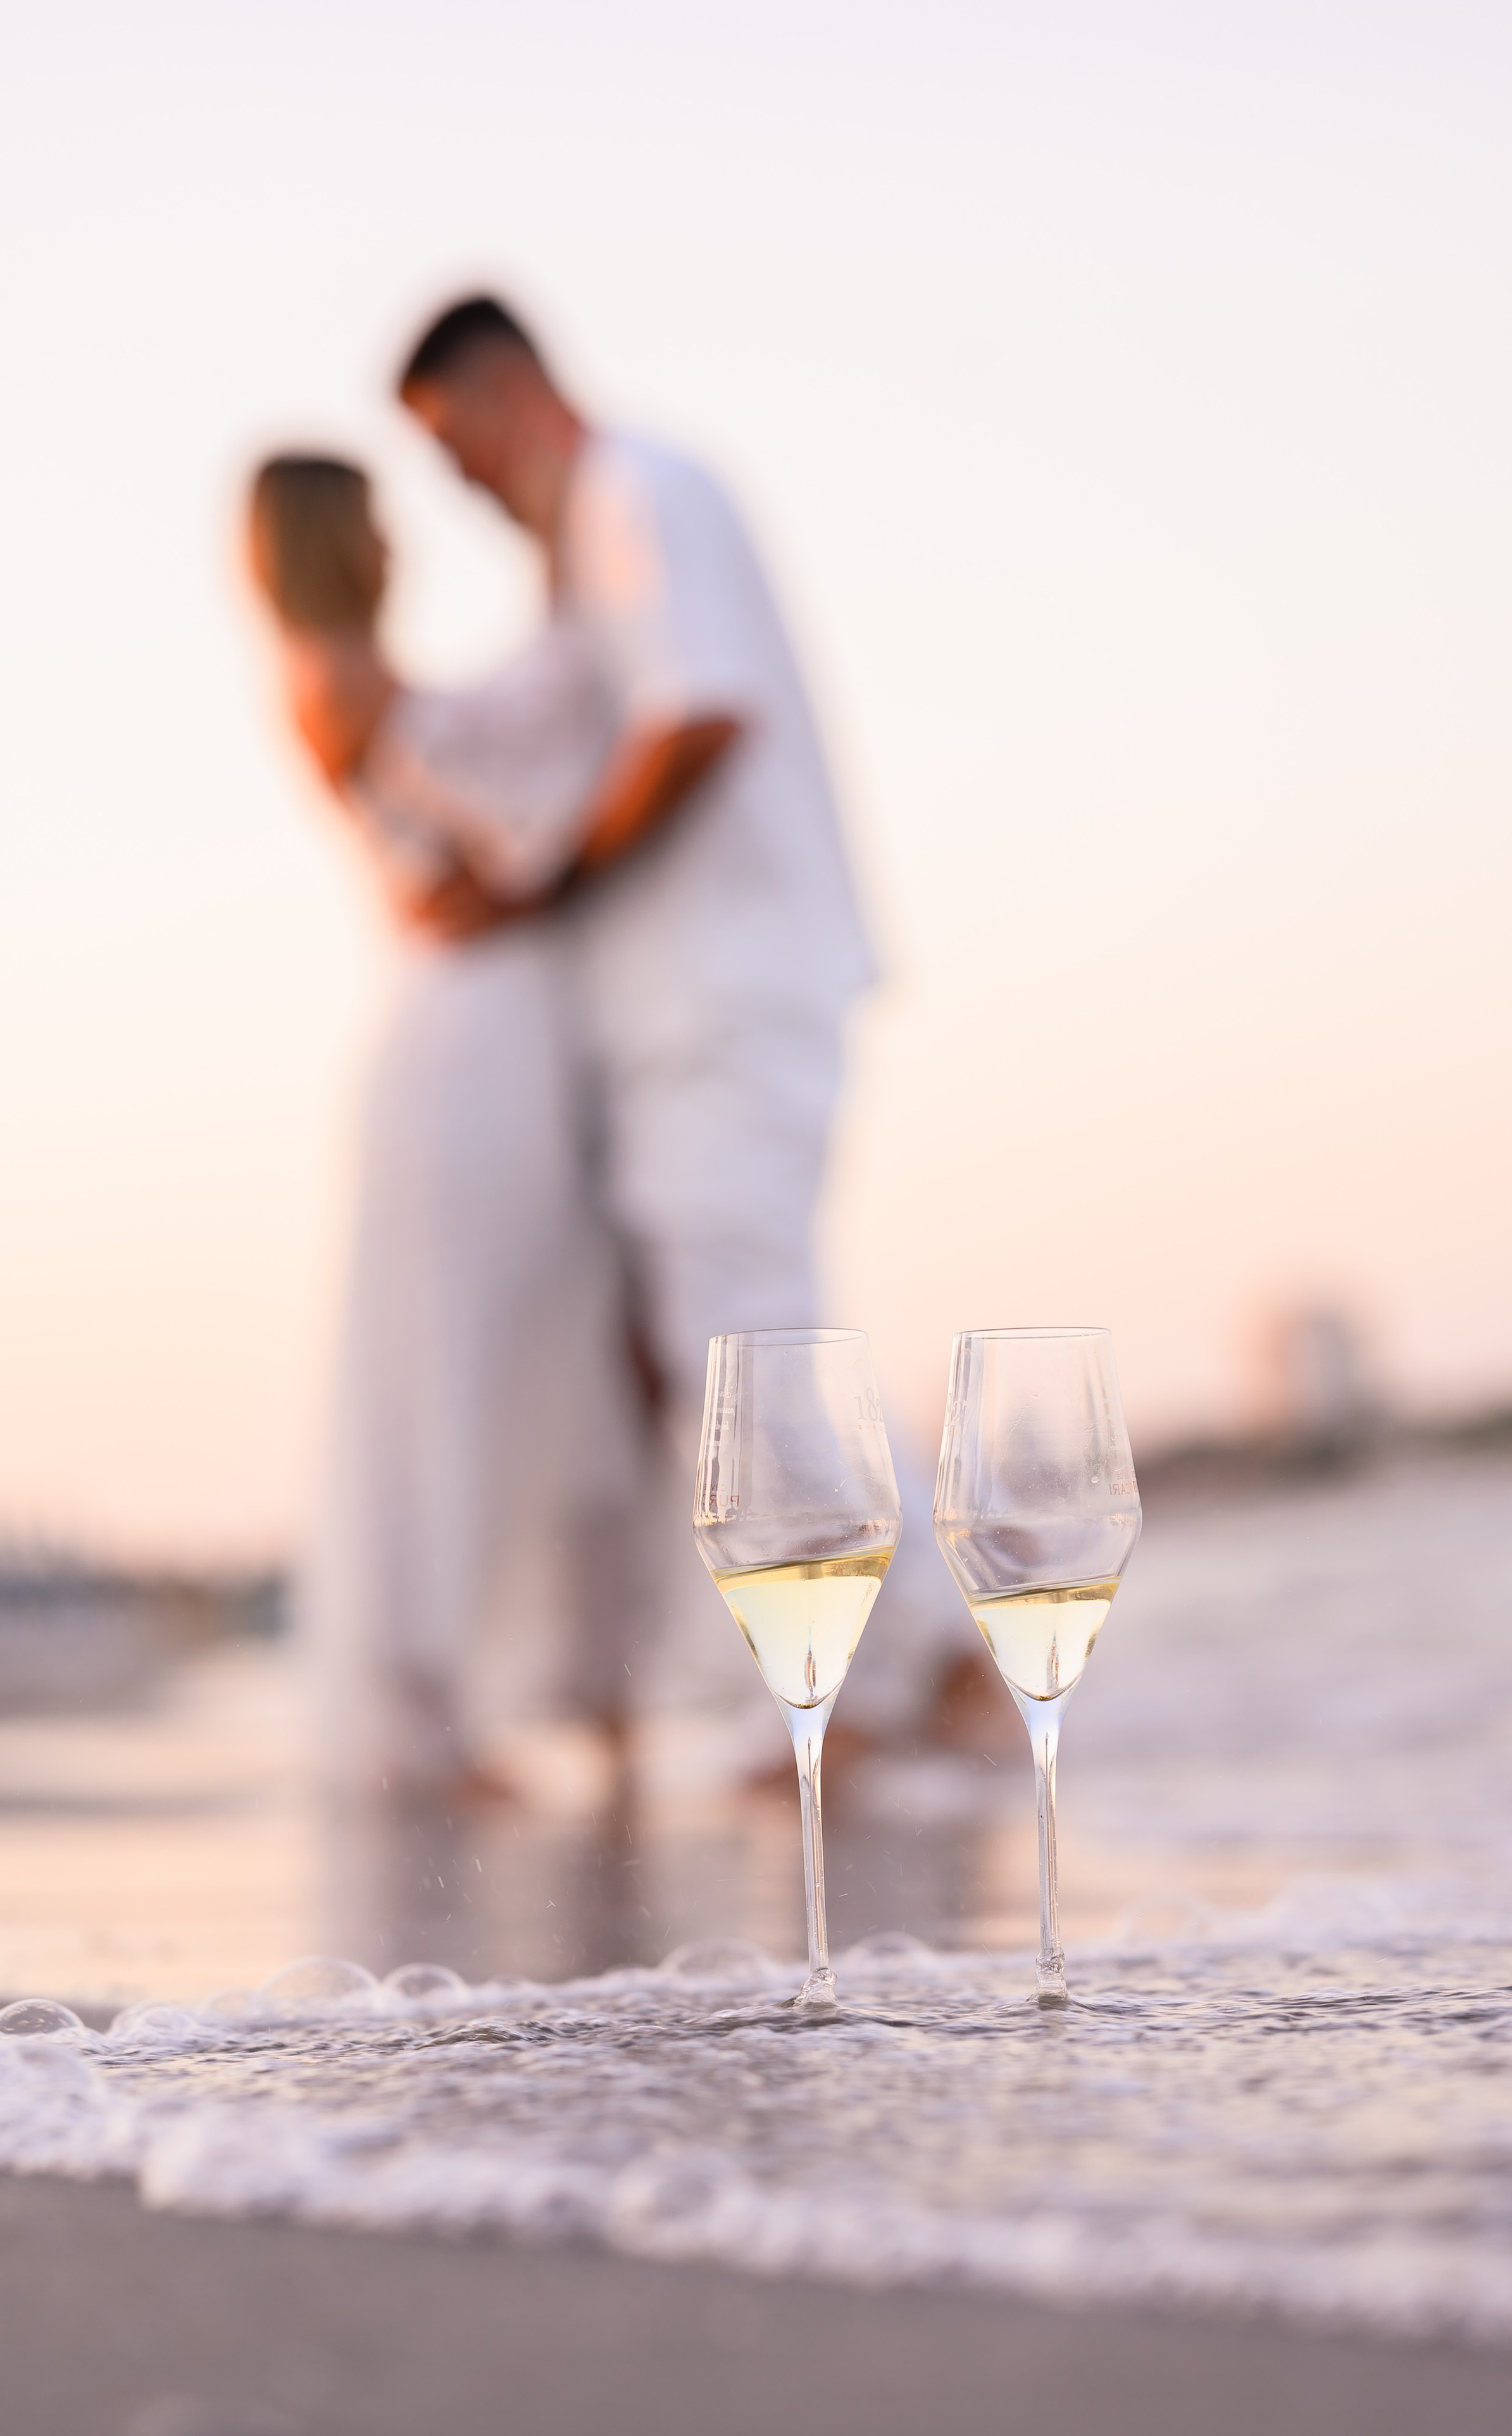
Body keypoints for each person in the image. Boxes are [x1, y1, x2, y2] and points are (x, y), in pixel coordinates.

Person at [324, 296, 981, 1738]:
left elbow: (698, 716)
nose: (466, 488)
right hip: (683, 1008)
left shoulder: (640, 491)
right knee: (746, 1328)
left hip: (729, 988)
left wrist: (545, 880)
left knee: (736, 1340)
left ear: (507, 396)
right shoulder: (592, 550)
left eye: (457, 449)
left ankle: (835, 1708)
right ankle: (927, 1669)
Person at [248, 455, 646, 1799]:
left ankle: (584, 1683)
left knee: (562, 1340)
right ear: (322, 536)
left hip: (510, 1023)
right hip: (464, 1036)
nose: (391, 538)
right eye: (366, 517)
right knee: (462, 1357)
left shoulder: (366, 675)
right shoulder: (336, 677)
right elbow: (487, 858)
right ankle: (432, 1705)